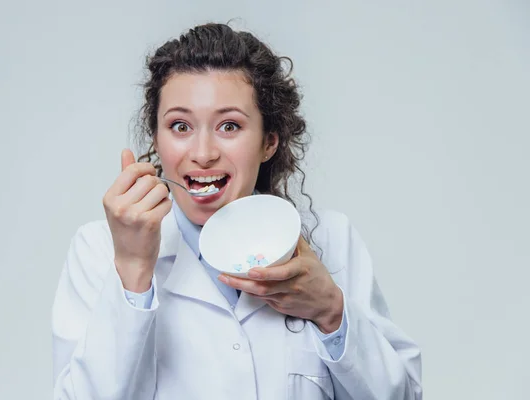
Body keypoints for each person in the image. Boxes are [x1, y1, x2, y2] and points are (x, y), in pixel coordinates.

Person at [51, 23, 422, 400]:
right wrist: (132, 271)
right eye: (180, 126)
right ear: (157, 140)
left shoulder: (332, 239)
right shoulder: (98, 250)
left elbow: (403, 395)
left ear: (268, 142)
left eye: (230, 125)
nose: (203, 152)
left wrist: (331, 311)